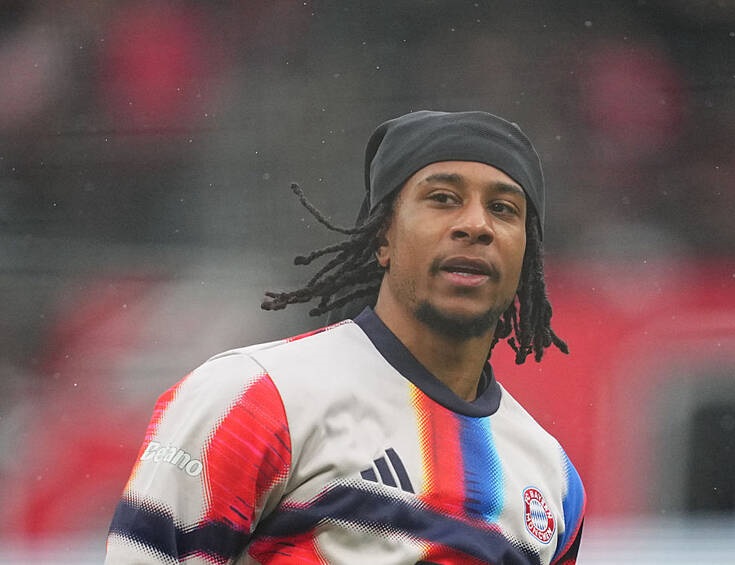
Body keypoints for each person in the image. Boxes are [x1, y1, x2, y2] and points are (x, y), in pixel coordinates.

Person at [105, 110, 586, 564]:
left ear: (526, 254)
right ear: (382, 237)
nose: (476, 225)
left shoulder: (554, 481)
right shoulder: (254, 397)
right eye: (443, 198)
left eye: (503, 208)